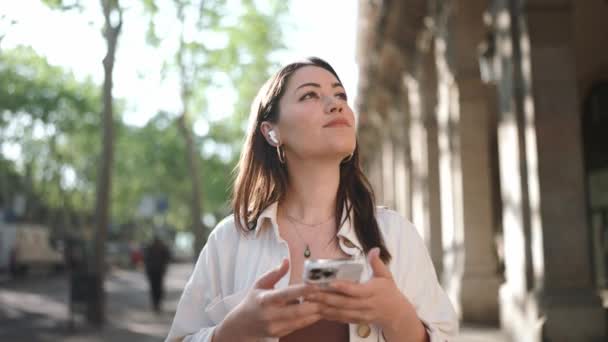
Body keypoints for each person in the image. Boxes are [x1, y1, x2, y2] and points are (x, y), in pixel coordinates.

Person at [166, 57, 458, 341]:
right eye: (310, 95)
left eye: (340, 94)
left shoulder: (395, 234)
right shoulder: (229, 239)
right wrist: (232, 332)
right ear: (271, 132)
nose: (336, 104)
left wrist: (397, 315)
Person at [144, 235, 171, 313]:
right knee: (155, 287)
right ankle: (156, 304)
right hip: (154, 271)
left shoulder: (160, 248)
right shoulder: (152, 248)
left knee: (156, 287)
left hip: (157, 271)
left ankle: (157, 303)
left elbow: (167, 257)